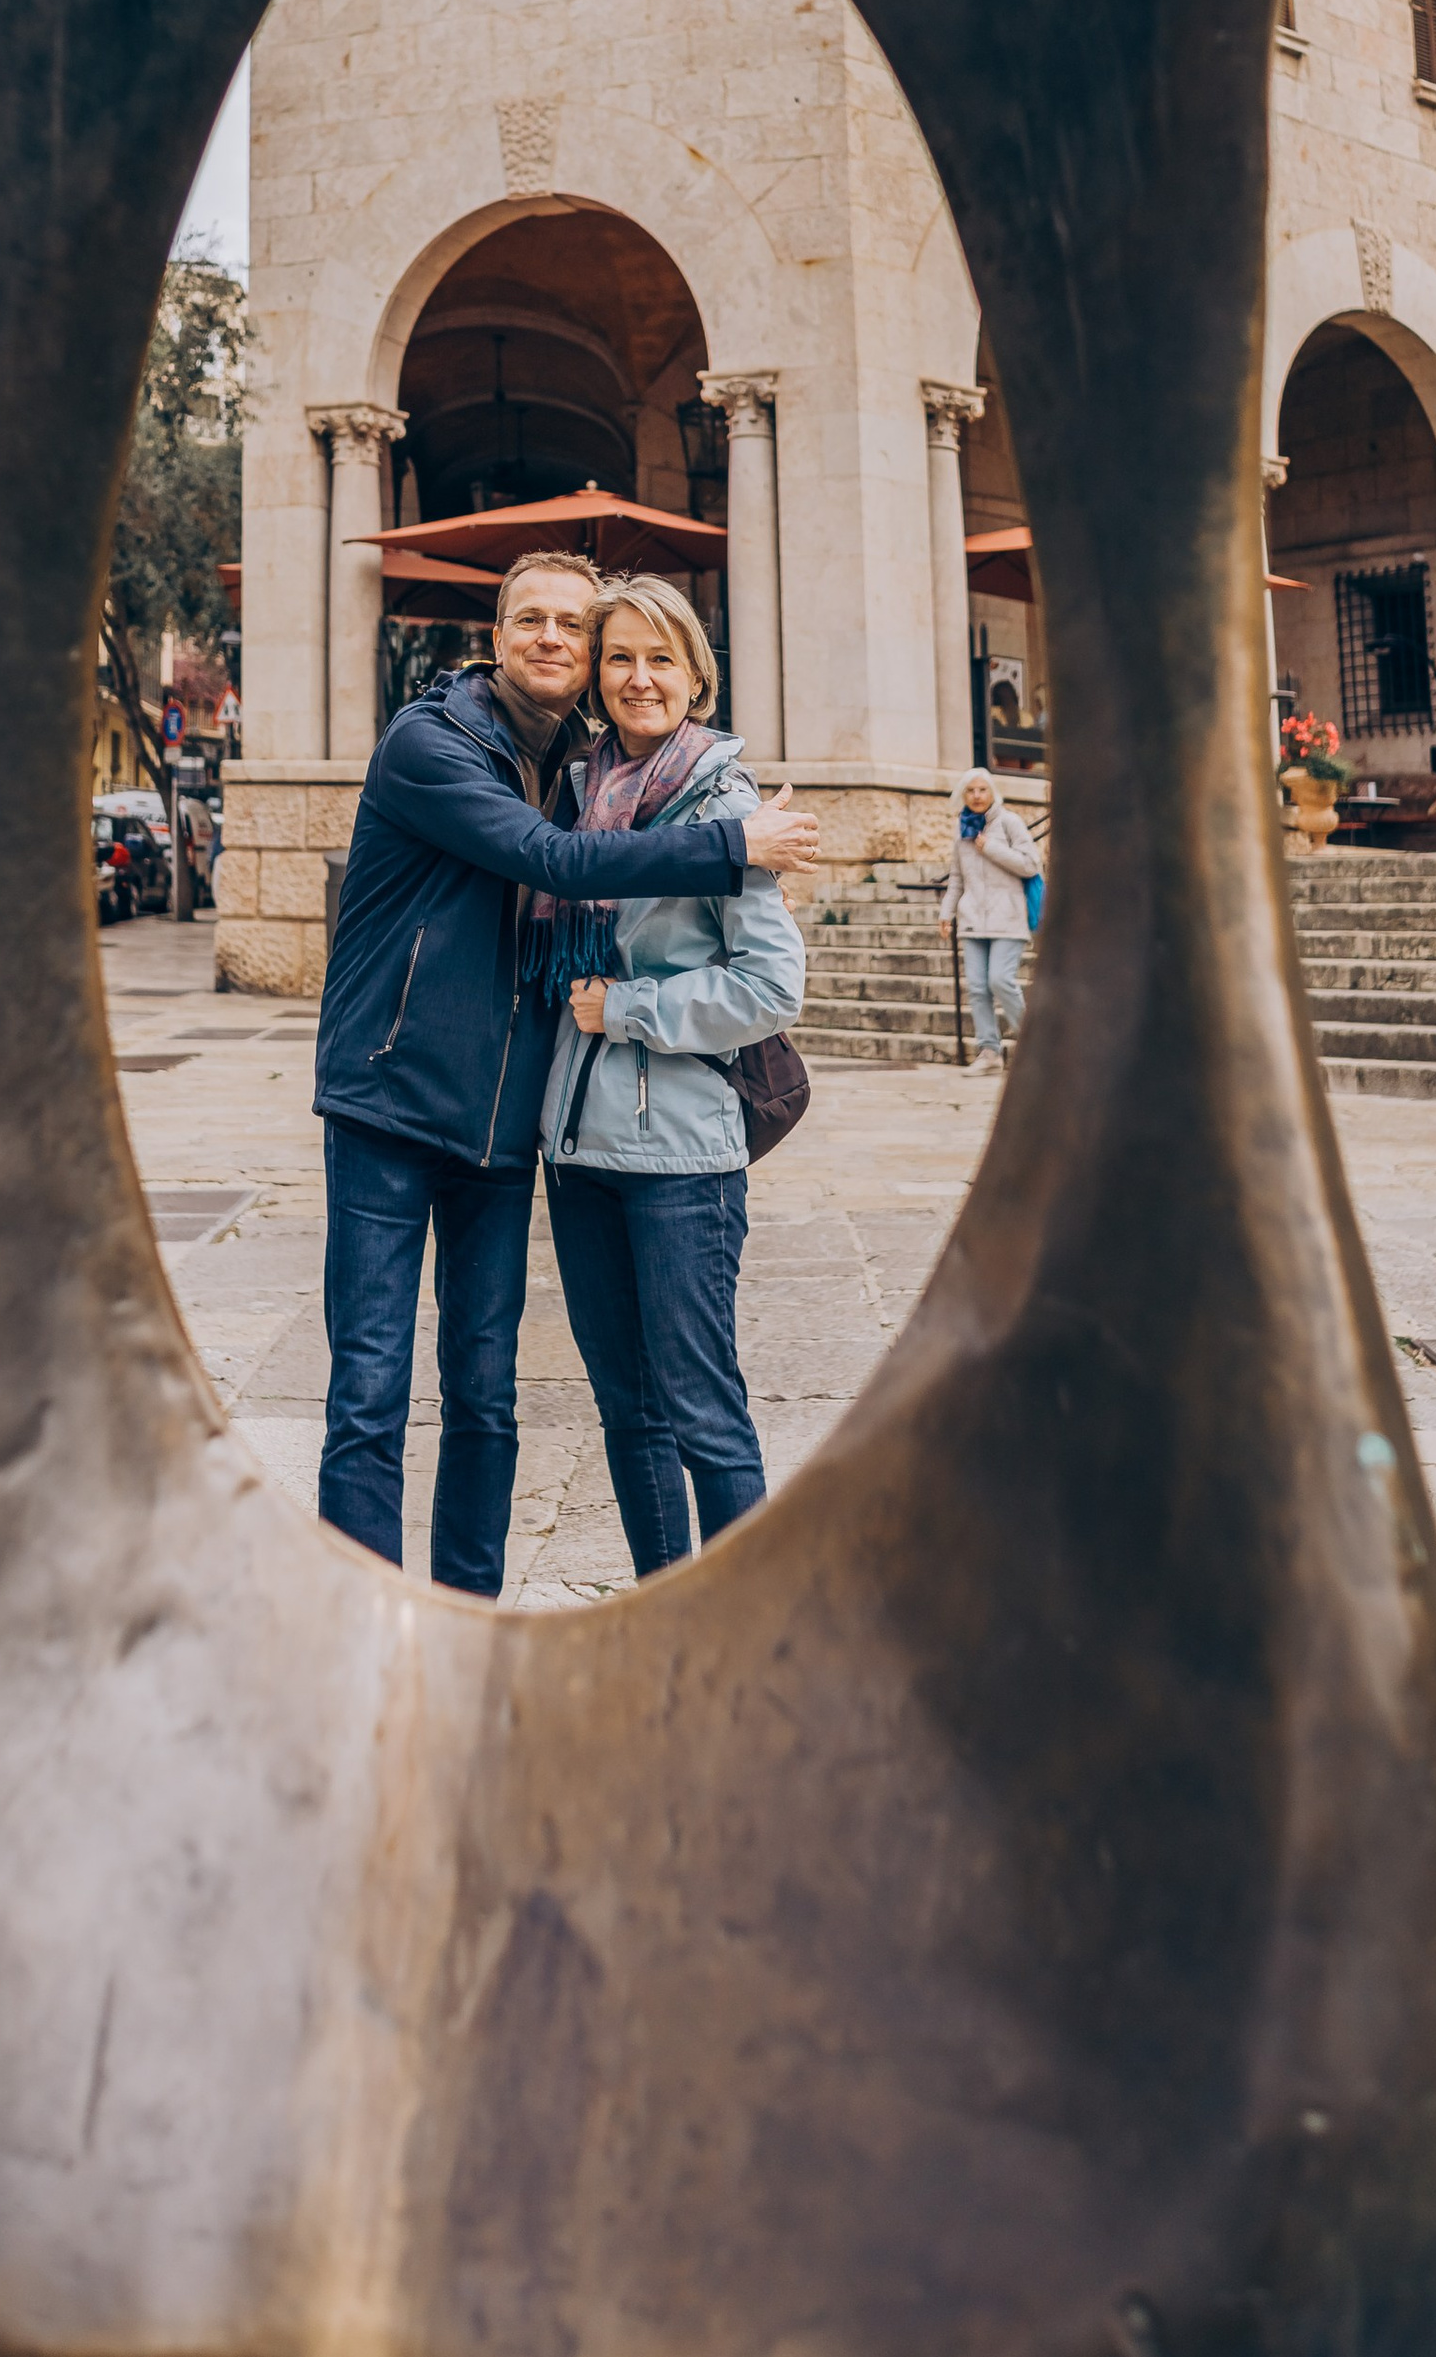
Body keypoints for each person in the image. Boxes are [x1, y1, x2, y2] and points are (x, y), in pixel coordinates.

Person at [312, 553, 819, 1599]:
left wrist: (722, 865)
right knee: (370, 1394)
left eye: (574, 627)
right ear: (496, 635)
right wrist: (733, 848)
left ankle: (473, 1609)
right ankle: (361, 1627)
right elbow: (550, 864)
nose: (556, 639)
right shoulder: (438, 746)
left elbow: (762, 978)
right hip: (394, 1101)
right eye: (530, 619)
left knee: (494, 1396)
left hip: (519, 1128)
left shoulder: (614, 773)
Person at [539, 576, 804, 1575]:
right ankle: (664, 1605)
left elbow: (773, 987)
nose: (637, 678)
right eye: (618, 658)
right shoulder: (575, 796)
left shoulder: (723, 803)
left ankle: (736, 1621)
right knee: (627, 1410)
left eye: (660, 658)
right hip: (575, 1151)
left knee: (700, 1406)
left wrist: (632, 1012)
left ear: (696, 675)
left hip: (682, 1155)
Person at [936, 768, 1042, 1067]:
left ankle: (1030, 1046)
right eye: (971, 791)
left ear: (993, 792)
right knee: (979, 988)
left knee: (1000, 980)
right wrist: (947, 913)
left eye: (983, 789)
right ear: (963, 795)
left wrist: (990, 847)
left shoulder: (1009, 823)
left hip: (1008, 918)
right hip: (972, 920)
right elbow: (957, 878)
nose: (977, 796)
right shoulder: (963, 831)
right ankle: (989, 1051)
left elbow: (1030, 865)